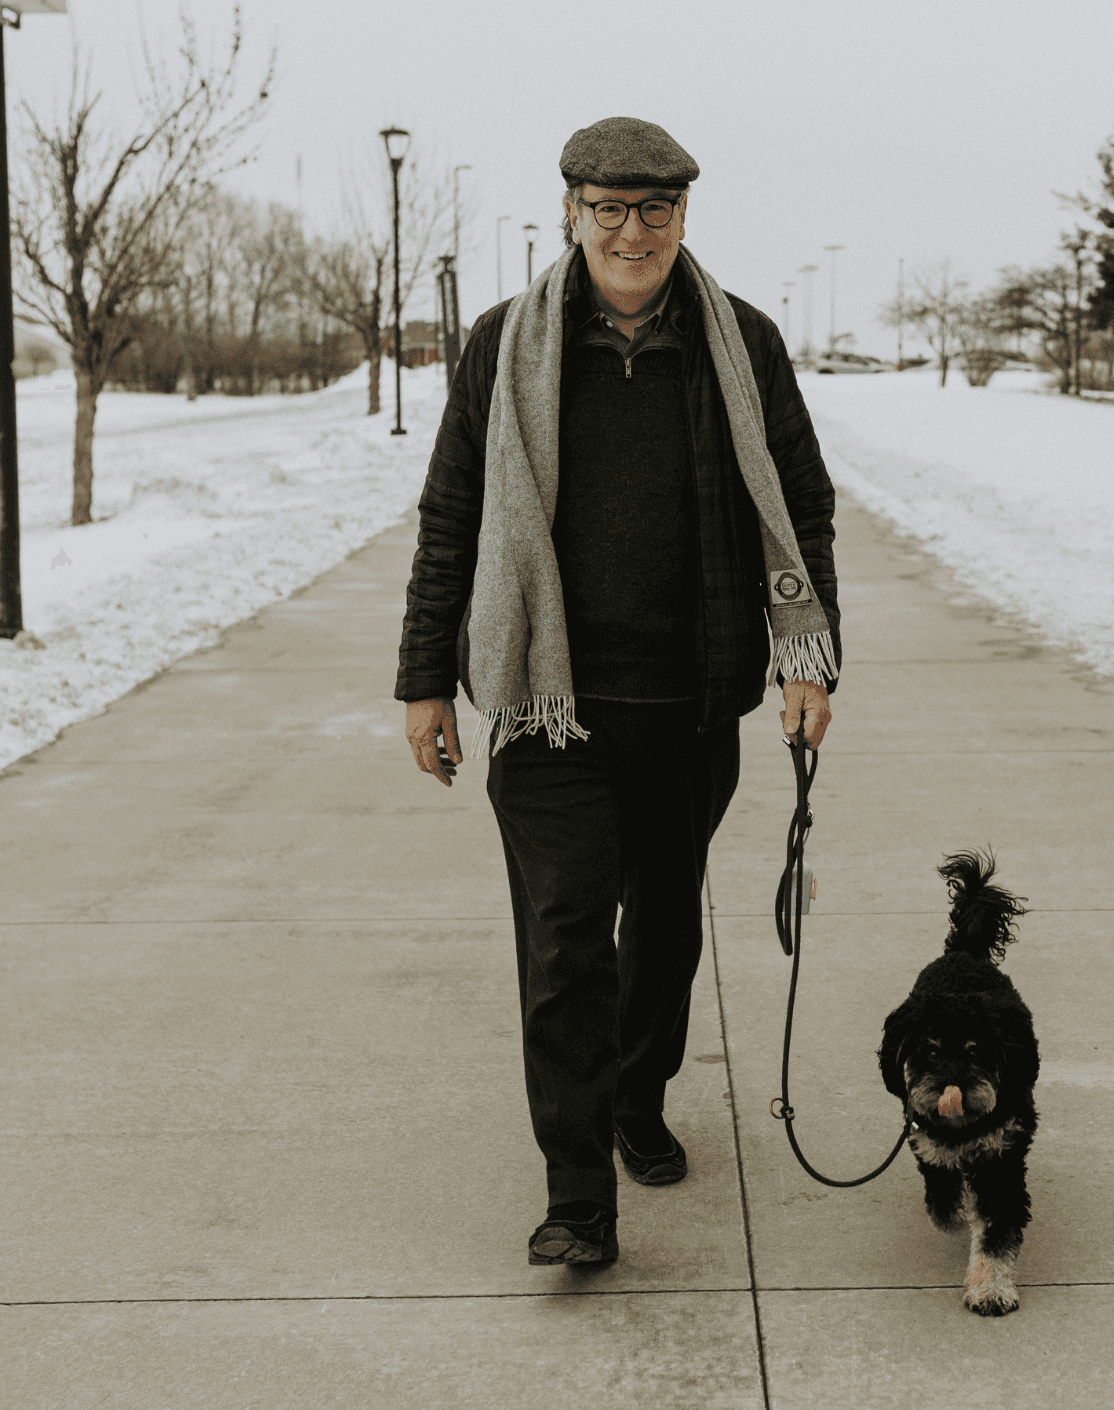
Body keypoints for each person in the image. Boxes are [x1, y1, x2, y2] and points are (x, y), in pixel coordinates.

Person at [395, 116, 841, 1268]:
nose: (632, 232)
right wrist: (423, 682)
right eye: (609, 209)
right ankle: (578, 1193)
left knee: (659, 940)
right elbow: (454, 513)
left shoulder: (741, 342)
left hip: (689, 706)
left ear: (684, 217)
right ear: (571, 213)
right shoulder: (507, 344)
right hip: (550, 713)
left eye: (655, 210)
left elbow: (798, 507)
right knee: (564, 943)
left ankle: (638, 1093)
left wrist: (808, 663)